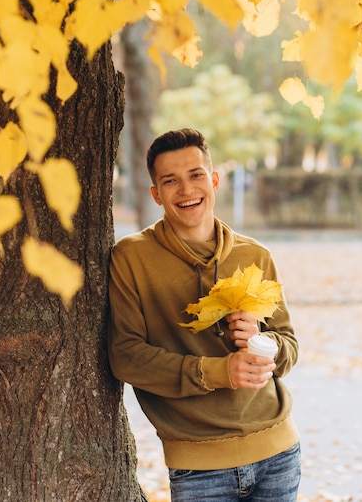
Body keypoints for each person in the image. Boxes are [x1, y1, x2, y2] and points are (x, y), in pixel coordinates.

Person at [108, 128, 301, 501]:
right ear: (156, 194)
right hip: (198, 466)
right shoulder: (131, 258)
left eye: (196, 175)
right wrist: (219, 372)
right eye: (170, 181)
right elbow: (126, 356)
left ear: (213, 179)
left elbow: (288, 344)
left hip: (279, 452)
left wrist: (263, 344)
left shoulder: (255, 255)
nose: (186, 189)